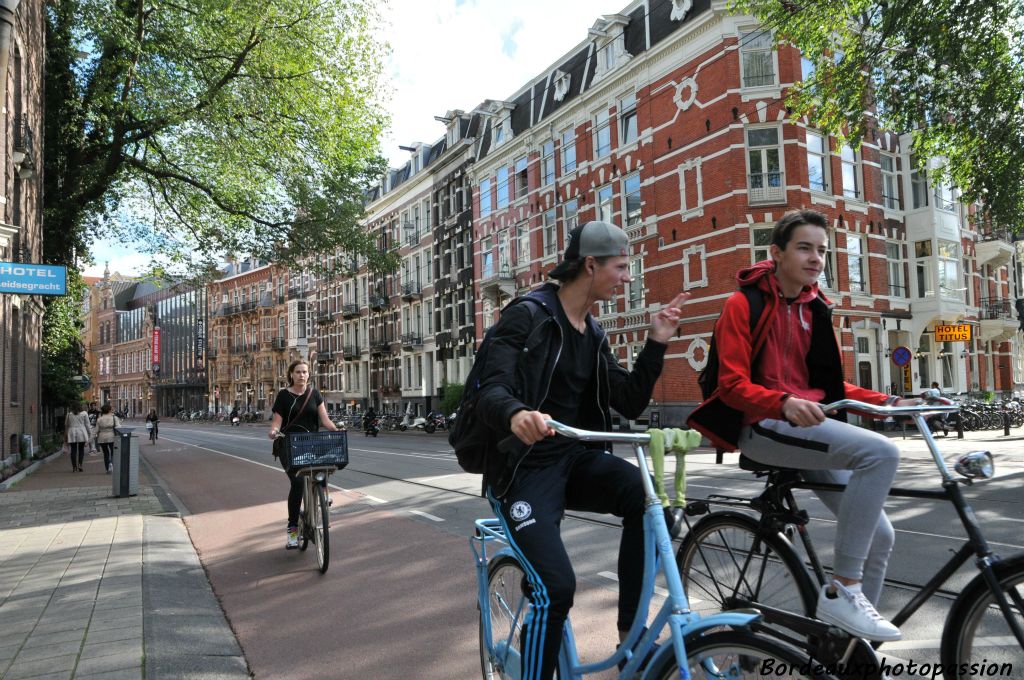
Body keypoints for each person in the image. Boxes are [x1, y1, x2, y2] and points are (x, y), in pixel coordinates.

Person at [688, 209, 921, 642]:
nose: (816, 258)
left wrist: (889, 402)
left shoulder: (815, 309)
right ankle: (844, 589)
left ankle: (854, 651)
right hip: (762, 427)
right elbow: (732, 384)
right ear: (776, 253)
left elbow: (832, 387)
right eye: (805, 248)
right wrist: (782, 402)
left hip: (809, 427)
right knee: (880, 451)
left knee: (881, 534)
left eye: (822, 250)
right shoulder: (743, 304)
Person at [474, 220, 690, 680]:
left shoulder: (593, 334)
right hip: (522, 469)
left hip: (574, 460)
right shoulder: (527, 315)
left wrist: (657, 342)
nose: (627, 277)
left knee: (647, 500)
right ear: (590, 265)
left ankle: (630, 635)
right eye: (620, 267)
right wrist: (515, 413)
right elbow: (492, 387)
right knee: (556, 587)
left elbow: (628, 400)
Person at [267, 360, 339, 549]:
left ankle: (322, 492)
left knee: (323, 467)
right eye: (298, 372)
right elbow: (277, 422)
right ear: (291, 374)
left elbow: (325, 420)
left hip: (311, 444)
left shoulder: (314, 394)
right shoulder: (283, 396)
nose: (301, 375)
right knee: (298, 482)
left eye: (305, 372)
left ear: (309, 374)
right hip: (290, 446)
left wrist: (337, 430)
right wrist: (274, 431)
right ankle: (292, 530)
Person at [64, 402, 92, 472]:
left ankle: (74, 467)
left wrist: (65, 435)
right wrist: (90, 434)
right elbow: (87, 425)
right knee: (81, 450)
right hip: (81, 432)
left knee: (73, 450)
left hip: (72, 432)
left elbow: (66, 425)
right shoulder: (84, 413)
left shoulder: (68, 415)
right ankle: (80, 465)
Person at [95, 403, 122, 473]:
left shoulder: (99, 419)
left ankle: (107, 468)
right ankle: (111, 463)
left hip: (102, 438)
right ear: (110, 410)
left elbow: (96, 431)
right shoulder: (114, 418)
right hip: (112, 437)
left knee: (105, 453)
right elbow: (118, 427)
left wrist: (88, 441)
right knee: (113, 452)